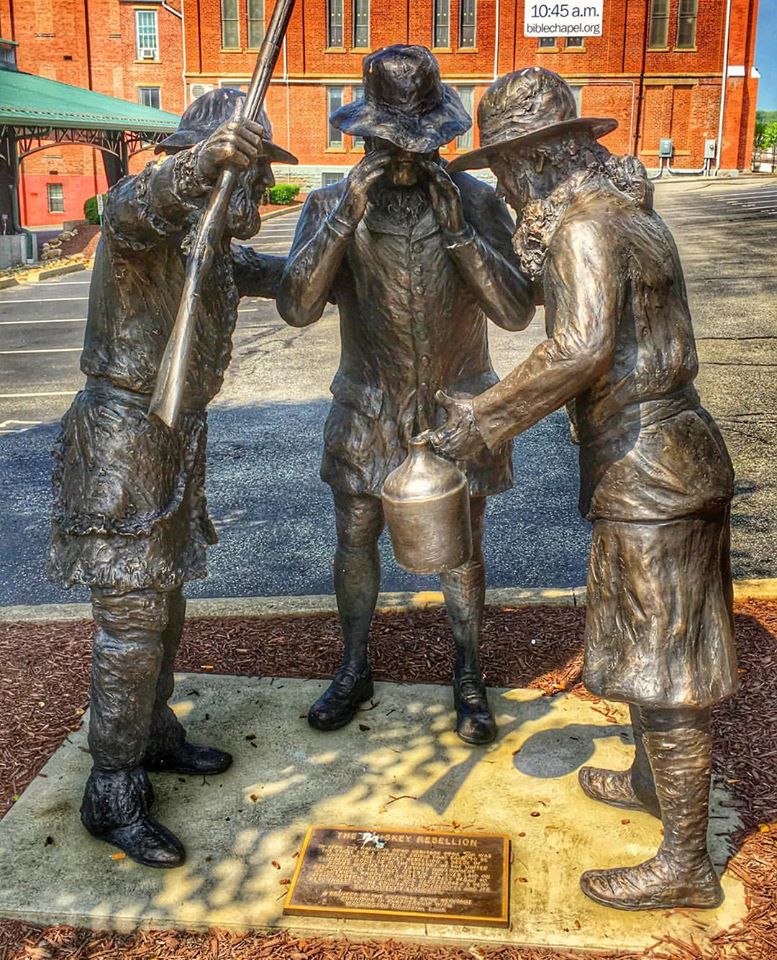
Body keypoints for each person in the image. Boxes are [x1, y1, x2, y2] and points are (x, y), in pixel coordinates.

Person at [433, 66, 737, 911]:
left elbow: (574, 350)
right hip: (660, 462)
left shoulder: (583, 232)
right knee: (650, 644)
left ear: (535, 163)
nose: (504, 183)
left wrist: (483, 419)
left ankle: (685, 862)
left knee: (664, 665)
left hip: (652, 474)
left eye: (505, 168)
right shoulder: (627, 218)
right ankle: (648, 778)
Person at [48, 89, 297, 868]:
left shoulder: (212, 247)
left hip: (175, 439)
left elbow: (289, 282)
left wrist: (356, 228)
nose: (258, 192)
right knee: (131, 620)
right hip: (122, 442)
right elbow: (128, 206)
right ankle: (112, 787)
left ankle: (153, 733)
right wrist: (197, 166)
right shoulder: (146, 231)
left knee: (166, 600)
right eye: (250, 175)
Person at [277, 45, 534, 745]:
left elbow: (514, 313)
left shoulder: (476, 202)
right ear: (362, 138)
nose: (401, 159)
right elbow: (297, 308)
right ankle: (354, 664)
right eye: (386, 144)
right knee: (354, 537)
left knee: (462, 547)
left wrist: (457, 234)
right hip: (366, 405)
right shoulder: (330, 203)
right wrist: (342, 221)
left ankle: (468, 672)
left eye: (417, 145)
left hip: (457, 404)